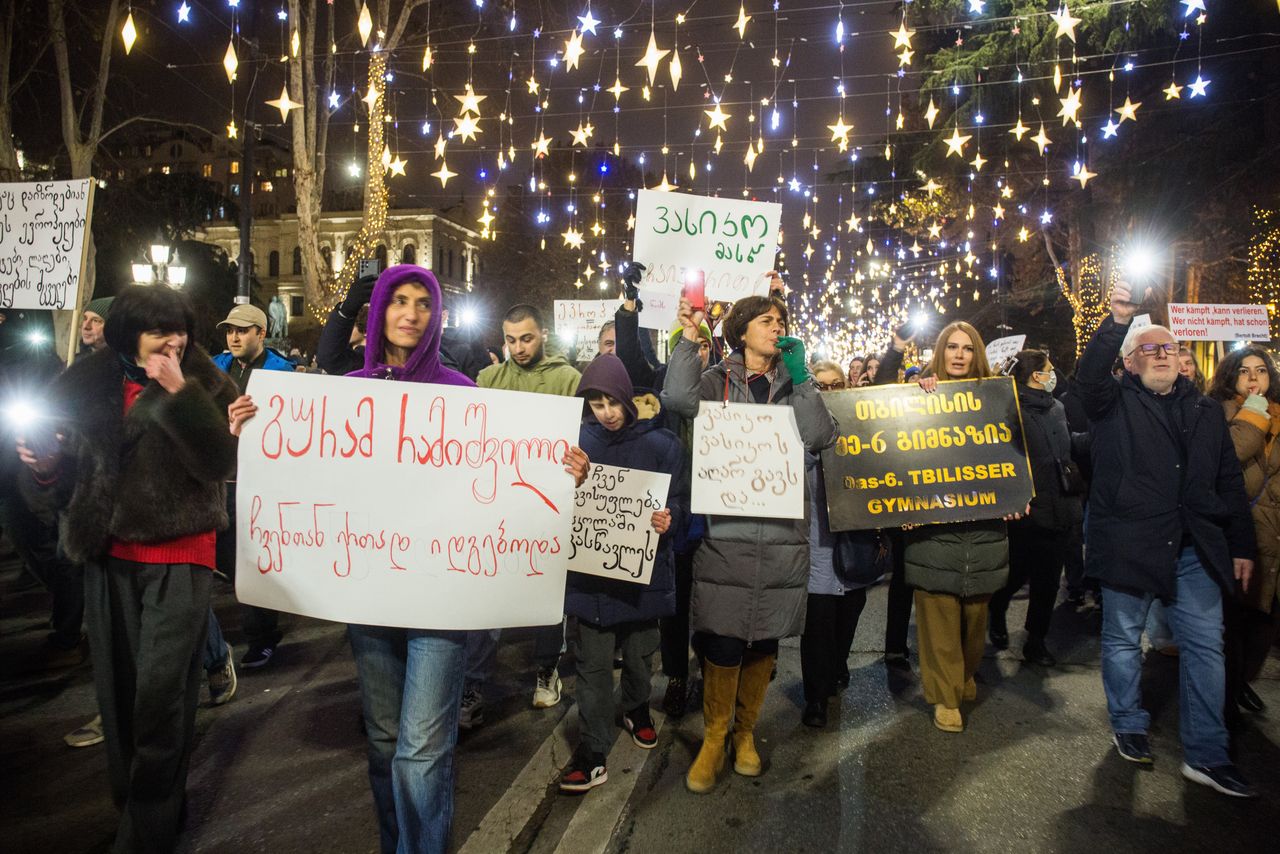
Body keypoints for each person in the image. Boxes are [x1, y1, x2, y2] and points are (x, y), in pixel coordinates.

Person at [17, 284, 239, 852]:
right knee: (117, 699)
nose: (174, 340)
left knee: (160, 699)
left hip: (181, 555)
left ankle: (144, 833)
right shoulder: (84, 383)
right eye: (158, 330)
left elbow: (219, 463)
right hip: (108, 555)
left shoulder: (208, 382)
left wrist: (179, 393)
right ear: (126, 335)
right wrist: (45, 467)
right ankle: (143, 811)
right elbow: (65, 486)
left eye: (180, 328)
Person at [1077, 280, 1255, 798]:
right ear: (1131, 364)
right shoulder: (1111, 404)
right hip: (1129, 546)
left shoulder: (1205, 413)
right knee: (1122, 641)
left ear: (1182, 361)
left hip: (1193, 551)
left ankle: (1207, 754)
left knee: (1206, 649)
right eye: (1149, 349)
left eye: (1170, 348)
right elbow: (1090, 376)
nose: (1161, 355)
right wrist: (1116, 323)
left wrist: (1240, 545)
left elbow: (1227, 483)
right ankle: (1128, 722)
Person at [662, 281, 838, 793]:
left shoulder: (793, 382)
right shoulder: (716, 380)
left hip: (782, 532)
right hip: (729, 532)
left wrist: (804, 380)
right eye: (766, 320)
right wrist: (687, 337)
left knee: (762, 639)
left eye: (780, 321)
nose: (777, 327)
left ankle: (745, 734)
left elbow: (821, 436)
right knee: (722, 635)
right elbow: (675, 397)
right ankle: (714, 737)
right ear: (740, 332)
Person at [558, 354, 687, 792]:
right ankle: (593, 752)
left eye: (612, 402)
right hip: (591, 580)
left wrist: (672, 520)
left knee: (639, 654)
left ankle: (636, 709)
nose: (606, 413)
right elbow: (551, 501)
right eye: (596, 404)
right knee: (591, 668)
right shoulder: (575, 444)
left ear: (628, 399)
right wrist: (570, 480)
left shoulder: (663, 444)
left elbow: (683, 503)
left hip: (642, 577)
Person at [461, 304, 583, 726]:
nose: (518, 348)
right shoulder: (488, 379)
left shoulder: (569, 381)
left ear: (542, 334)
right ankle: (473, 683)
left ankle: (547, 669)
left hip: (548, 508)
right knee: (487, 601)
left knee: (545, 596)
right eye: (510, 340)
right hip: (496, 506)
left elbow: (583, 442)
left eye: (526, 338)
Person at [612, 262, 713, 717]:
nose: (701, 353)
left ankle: (714, 670)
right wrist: (629, 305)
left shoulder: (727, 388)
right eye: (693, 346)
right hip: (676, 512)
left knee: (711, 601)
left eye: (707, 345)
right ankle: (676, 674)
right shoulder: (661, 383)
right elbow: (631, 359)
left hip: (717, 512)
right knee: (675, 603)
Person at [906, 321, 1017, 733]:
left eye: (967, 348)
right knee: (937, 621)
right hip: (934, 532)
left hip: (985, 531)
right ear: (940, 352)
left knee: (974, 621)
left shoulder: (999, 399)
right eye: (951, 347)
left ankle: (965, 673)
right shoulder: (918, 396)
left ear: (977, 355)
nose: (958, 355)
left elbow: (1017, 455)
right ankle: (945, 697)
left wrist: (1014, 497)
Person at [988, 349, 1084, 667]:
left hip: (1062, 506)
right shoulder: (1010, 411)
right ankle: (997, 609)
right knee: (1017, 573)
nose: (1053, 374)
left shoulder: (1057, 408)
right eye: (1048, 369)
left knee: (1048, 581)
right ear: (1035, 375)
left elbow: (1069, 443)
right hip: (1029, 510)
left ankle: (1036, 641)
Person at [212, 303, 296, 670]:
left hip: (261, 482)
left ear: (262, 334)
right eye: (230, 329)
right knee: (229, 560)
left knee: (256, 561)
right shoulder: (215, 367)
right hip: (220, 479)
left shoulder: (284, 373)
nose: (234, 336)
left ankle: (261, 638)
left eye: (243, 330)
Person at [800, 361, 882, 728]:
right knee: (816, 628)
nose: (828, 392)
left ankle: (837, 666)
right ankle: (814, 697)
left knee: (847, 621)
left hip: (855, 551)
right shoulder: (800, 434)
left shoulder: (865, 431)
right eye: (820, 386)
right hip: (816, 550)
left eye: (836, 386)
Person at [1208, 345, 1280, 716]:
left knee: (1263, 624)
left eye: (1261, 371)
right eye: (1244, 371)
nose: (1254, 379)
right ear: (1230, 377)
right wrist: (1253, 415)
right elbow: (1232, 454)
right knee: (1234, 621)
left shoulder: (1278, 414)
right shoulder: (1219, 412)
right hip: (1241, 533)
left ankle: (1241, 682)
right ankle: (1227, 694)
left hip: (1274, 535)